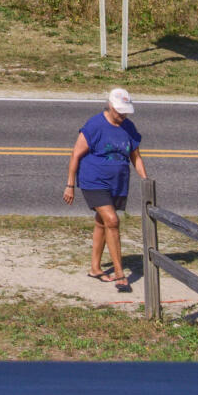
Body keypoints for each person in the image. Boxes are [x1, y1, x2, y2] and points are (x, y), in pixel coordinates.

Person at [63, 86, 150, 290]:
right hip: (93, 180)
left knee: (102, 222)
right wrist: (70, 184)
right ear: (110, 106)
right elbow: (75, 154)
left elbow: (135, 157)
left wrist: (145, 179)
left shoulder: (129, 127)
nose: (122, 115)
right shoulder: (95, 125)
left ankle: (95, 268)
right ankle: (120, 273)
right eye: (119, 111)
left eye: (125, 112)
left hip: (117, 183)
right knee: (112, 220)